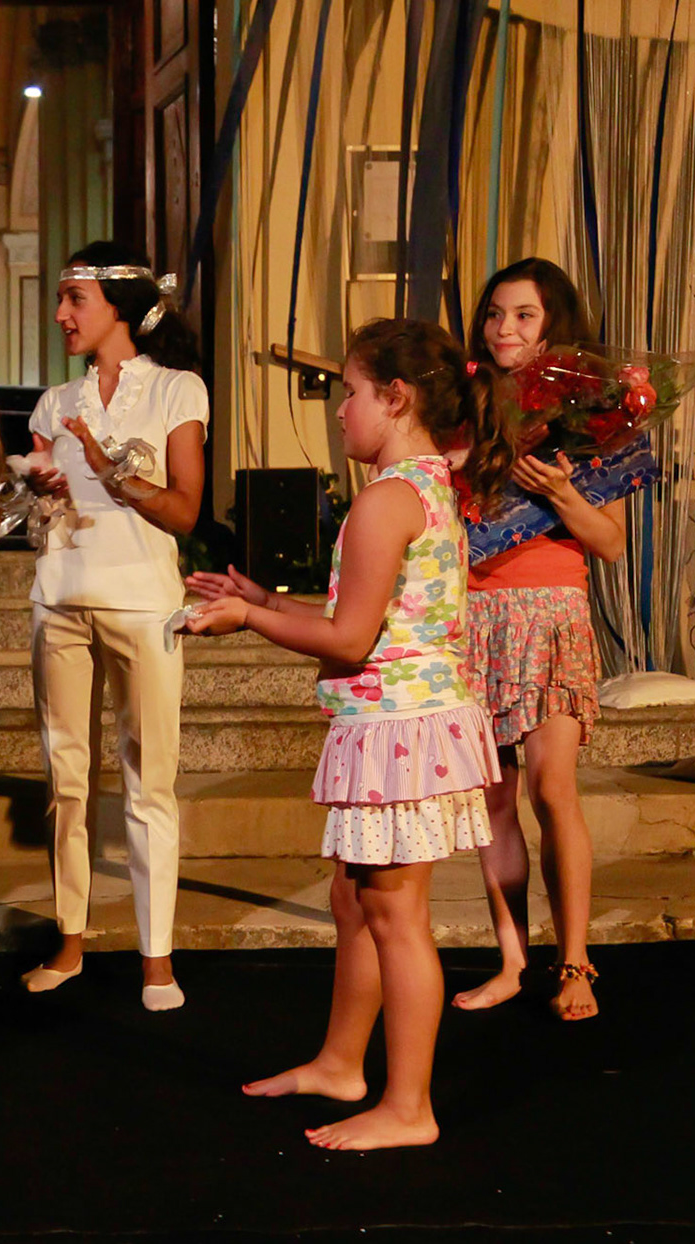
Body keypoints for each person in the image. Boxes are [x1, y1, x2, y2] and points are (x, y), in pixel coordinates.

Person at [186, 318, 501, 1151]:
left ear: (395, 398)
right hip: (398, 715)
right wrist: (265, 596)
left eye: (350, 393)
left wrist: (248, 617)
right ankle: (339, 1061)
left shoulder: (387, 498)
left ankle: (408, 1107)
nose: (339, 412)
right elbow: (363, 617)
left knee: (395, 912)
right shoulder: (422, 486)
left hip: (400, 723)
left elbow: (351, 640)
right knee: (355, 898)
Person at [20, 242, 205, 1011]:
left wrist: (107, 468)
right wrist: (37, 490)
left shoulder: (175, 390)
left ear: (120, 307)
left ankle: (155, 956)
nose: (63, 314)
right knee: (67, 776)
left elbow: (185, 511)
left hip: (143, 596)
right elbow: (32, 518)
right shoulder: (51, 401)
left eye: (76, 299)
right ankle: (70, 938)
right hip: (59, 592)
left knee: (147, 778)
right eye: (62, 300)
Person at [451, 259, 616, 1021]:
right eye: (494, 314)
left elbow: (609, 542)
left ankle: (574, 962)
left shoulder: (585, 414)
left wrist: (562, 493)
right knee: (493, 799)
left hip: (550, 612)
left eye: (522, 314)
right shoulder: (465, 403)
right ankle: (513, 959)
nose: (505, 328)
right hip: (475, 619)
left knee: (553, 789)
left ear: (552, 323)